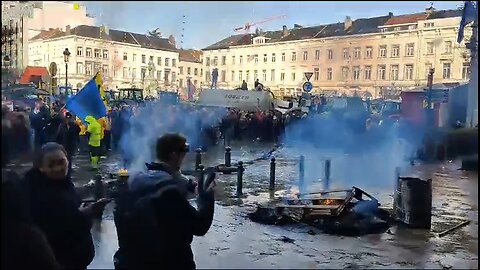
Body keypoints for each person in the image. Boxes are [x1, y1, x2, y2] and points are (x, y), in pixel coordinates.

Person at [113, 133, 216, 270]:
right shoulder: (168, 192)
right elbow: (199, 226)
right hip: (168, 262)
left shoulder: (134, 183)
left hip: (133, 261)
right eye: (182, 155)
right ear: (174, 156)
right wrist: (207, 198)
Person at [21, 142, 109, 269]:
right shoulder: (37, 192)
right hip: (60, 261)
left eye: (61, 162)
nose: (58, 168)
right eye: (51, 165)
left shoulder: (61, 183)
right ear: (41, 167)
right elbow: (59, 227)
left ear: (67, 160)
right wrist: (88, 213)